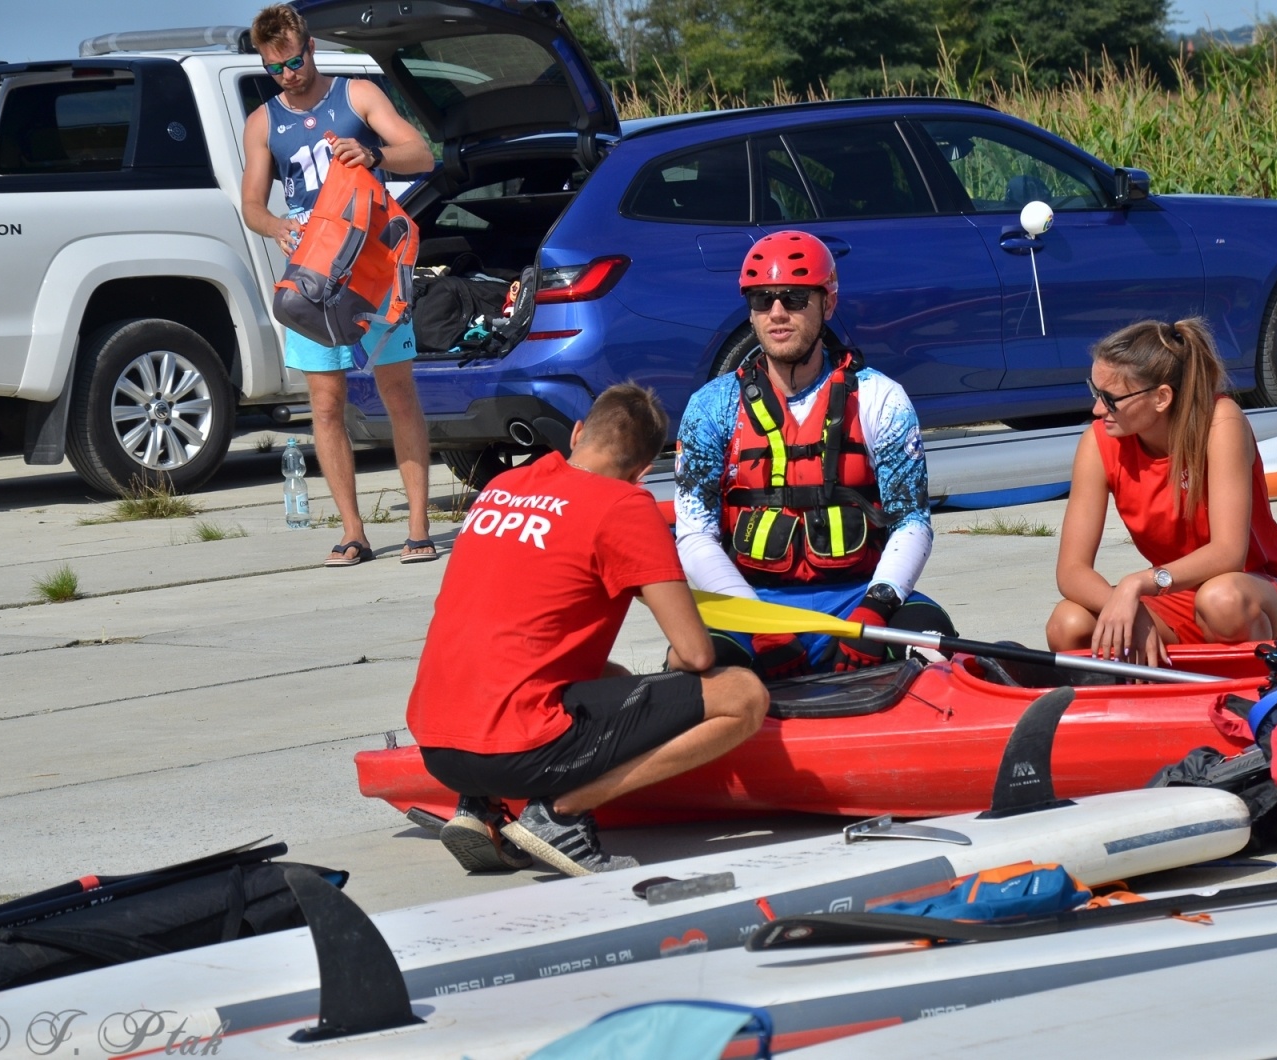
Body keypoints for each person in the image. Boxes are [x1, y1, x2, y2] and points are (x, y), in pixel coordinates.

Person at [407, 384, 769, 877]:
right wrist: (672, 684)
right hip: (515, 749)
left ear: (577, 434)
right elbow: (694, 654)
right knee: (742, 694)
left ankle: (480, 807)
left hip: (438, 745)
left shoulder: (504, 486)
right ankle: (560, 815)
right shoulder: (625, 505)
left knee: (609, 673)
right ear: (642, 472)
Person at [675, 231, 957, 678]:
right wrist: (760, 623)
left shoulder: (882, 398)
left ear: (828, 304)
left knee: (935, 648)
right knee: (687, 665)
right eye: (762, 300)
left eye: (794, 298)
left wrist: (877, 607)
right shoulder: (710, 408)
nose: (778, 313)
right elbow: (694, 534)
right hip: (752, 604)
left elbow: (912, 521)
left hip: (856, 599)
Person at [242, 5, 440, 567]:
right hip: (311, 275)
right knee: (326, 404)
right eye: (275, 67)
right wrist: (278, 226)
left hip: (372, 270)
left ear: (310, 47)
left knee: (399, 393)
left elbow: (422, 154)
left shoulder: (356, 96)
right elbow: (252, 206)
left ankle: (418, 526)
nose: (288, 74)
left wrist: (373, 153)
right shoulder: (264, 121)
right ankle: (353, 531)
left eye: (295, 61)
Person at [1047, 318, 1277, 667]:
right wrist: (1126, 607)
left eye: (1111, 399)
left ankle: (1253, 696)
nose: (1097, 409)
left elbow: (1228, 554)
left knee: (1220, 599)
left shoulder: (1221, 422)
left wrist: (1138, 585)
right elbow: (1071, 571)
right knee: (1068, 624)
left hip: (1257, 591)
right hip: (1177, 596)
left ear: (1162, 397)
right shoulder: (1097, 442)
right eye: (1094, 391)